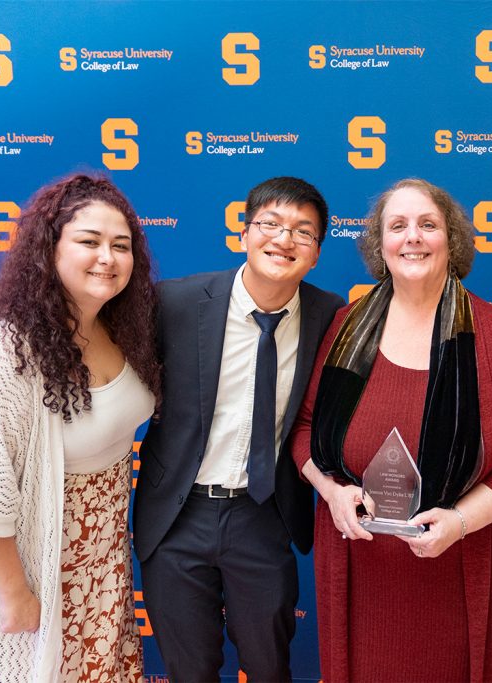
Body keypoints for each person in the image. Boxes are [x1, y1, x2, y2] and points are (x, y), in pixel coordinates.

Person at [290, 178, 492, 682]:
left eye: (428, 225)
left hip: (458, 565)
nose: (412, 237)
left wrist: (461, 521)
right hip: (359, 565)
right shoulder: (346, 328)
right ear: (380, 244)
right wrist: (331, 492)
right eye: (398, 226)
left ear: (451, 240)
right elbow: (304, 428)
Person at [0, 174, 161, 682]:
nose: (108, 258)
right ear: (49, 249)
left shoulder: (122, 329)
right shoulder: (5, 350)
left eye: (121, 246)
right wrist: (15, 594)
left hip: (101, 568)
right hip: (28, 573)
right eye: (89, 242)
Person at [132, 176, 343, 682]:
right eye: (270, 224)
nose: (284, 239)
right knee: (189, 669)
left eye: (303, 232)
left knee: (270, 666)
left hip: (262, 514)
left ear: (315, 253)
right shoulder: (176, 303)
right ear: (244, 233)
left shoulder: (330, 315)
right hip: (177, 516)